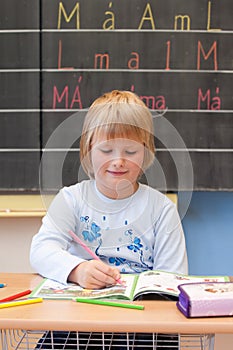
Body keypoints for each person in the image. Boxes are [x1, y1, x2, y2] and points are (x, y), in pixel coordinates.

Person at [30, 89, 187, 349]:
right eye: (106, 150)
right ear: (88, 150)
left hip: (143, 326)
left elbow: (173, 280)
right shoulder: (71, 199)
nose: (118, 161)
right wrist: (78, 270)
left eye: (131, 151)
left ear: (146, 153)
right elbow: (40, 250)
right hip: (79, 323)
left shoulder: (161, 209)